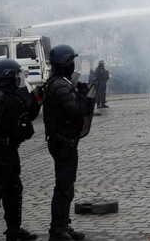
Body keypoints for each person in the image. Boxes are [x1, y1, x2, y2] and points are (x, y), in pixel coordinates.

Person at [0, 59, 40, 241]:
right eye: (16, 74)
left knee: (14, 189)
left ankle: (14, 229)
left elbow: (26, 115)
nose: (19, 77)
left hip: (12, 149)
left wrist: (37, 99)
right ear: (8, 76)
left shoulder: (14, 94)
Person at [43, 44, 93, 241]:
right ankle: (57, 230)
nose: (73, 65)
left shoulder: (58, 82)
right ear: (65, 63)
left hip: (65, 141)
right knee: (63, 188)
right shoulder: (61, 85)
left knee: (67, 186)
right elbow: (75, 112)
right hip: (63, 142)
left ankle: (64, 224)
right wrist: (82, 95)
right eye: (71, 61)